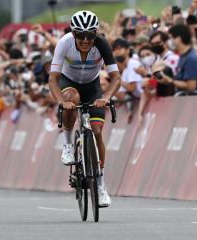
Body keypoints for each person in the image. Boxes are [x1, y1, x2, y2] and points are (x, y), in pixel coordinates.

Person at [48, 11, 121, 207]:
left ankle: (100, 184)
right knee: (72, 99)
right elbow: (53, 79)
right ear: (73, 34)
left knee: (97, 132)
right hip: (68, 83)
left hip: (93, 86)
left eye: (91, 35)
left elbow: (115, 77)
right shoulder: (64, 43)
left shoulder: (102, 44)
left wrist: (106, 97)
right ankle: (68, 144)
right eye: (81, 35)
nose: (86, 40)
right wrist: (61, 102)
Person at [158, 24, 197, 94]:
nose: (168, 42)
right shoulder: (183, 57)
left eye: (170, 38)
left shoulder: (191, 59)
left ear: (179, 39)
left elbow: (191, 86)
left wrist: (170, 81)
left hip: (193, 102)